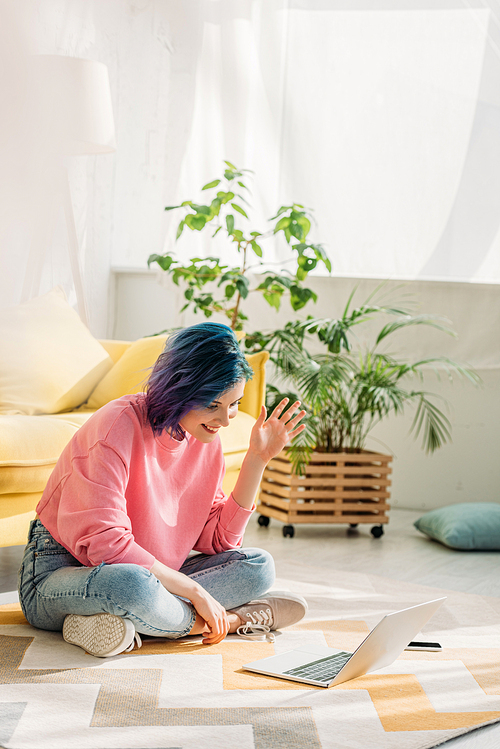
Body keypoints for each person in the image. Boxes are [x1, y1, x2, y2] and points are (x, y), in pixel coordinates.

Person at [18, 322, 308, 657]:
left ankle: (125, 622)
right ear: (179, 389)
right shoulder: (117, 426)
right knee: (130, 585)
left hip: (155, 575)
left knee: (259, 565)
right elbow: (107, 548)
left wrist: (257, 460)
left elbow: (218, 541)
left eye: (233, 404)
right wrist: (196, 593)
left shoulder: (204, 437)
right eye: (213, 404)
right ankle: (223, 621)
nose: (225, 420)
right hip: (60, 572)